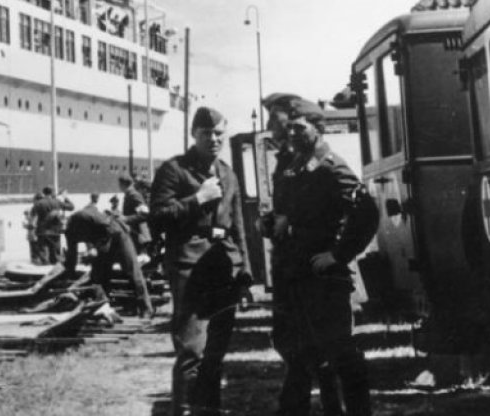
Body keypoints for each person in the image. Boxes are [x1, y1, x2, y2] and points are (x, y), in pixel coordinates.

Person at [267, 98, 379, 416]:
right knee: (305, 356)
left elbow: (366, 211)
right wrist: (276, 221)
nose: (292, 132)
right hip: (295, 277)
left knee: (342, 355)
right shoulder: (295, 166)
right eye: (289, 126)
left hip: (323, 280)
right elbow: (295, 213)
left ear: (318, 128)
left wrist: (339, 255)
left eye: (299, 127)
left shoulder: (332, 166)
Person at [150, 106, 252, 416]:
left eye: (219, 133)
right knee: (192, 350)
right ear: (193, 134)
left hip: (223, 268)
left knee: (216, 353)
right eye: (206, 133)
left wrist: (245, 273)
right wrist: (197, 200)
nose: (214, 138)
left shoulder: (228, 172)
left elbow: (238, 227)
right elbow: (157, 218)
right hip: (190, 269)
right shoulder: (174, 170)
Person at [260, 93, 344, 416]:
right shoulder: (289, 160)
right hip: (288, 264)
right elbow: (290, 207)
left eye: (276, 119)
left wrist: (290, 223)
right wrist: (270, 221)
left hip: (306, 264)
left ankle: (304, 407)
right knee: (291, 340)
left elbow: (329, 211)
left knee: (311, 344)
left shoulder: (316, 162)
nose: (272, 126)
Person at [63, 193, 153, 318]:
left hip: (119, 235)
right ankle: (104, 307)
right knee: (97, 275)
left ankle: (146, 308)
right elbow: (71, 257)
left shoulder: (84, 215)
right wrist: (69, 276)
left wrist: (98, 249)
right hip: (103, 242)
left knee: (132, 271)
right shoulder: (69, 233)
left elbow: (110, 227)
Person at [30, 187, 74, 265]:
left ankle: (44, 267)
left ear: (43, 193)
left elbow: (32, 216)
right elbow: (71, 207)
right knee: (55, 255)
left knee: (43, 253)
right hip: (55, 231)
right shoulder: (57, 202)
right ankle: (55, 271)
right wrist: (65, 197)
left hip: (42, 231)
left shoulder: (38, 203)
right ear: (52, 193)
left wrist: (32, 231)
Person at [119, 176, 153, 256]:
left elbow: (144, 214)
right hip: (133, 233)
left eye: (120, 184)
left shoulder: (134, 195)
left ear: (123, 184)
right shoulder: (129, 194)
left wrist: (126, 219)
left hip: (139, 235)